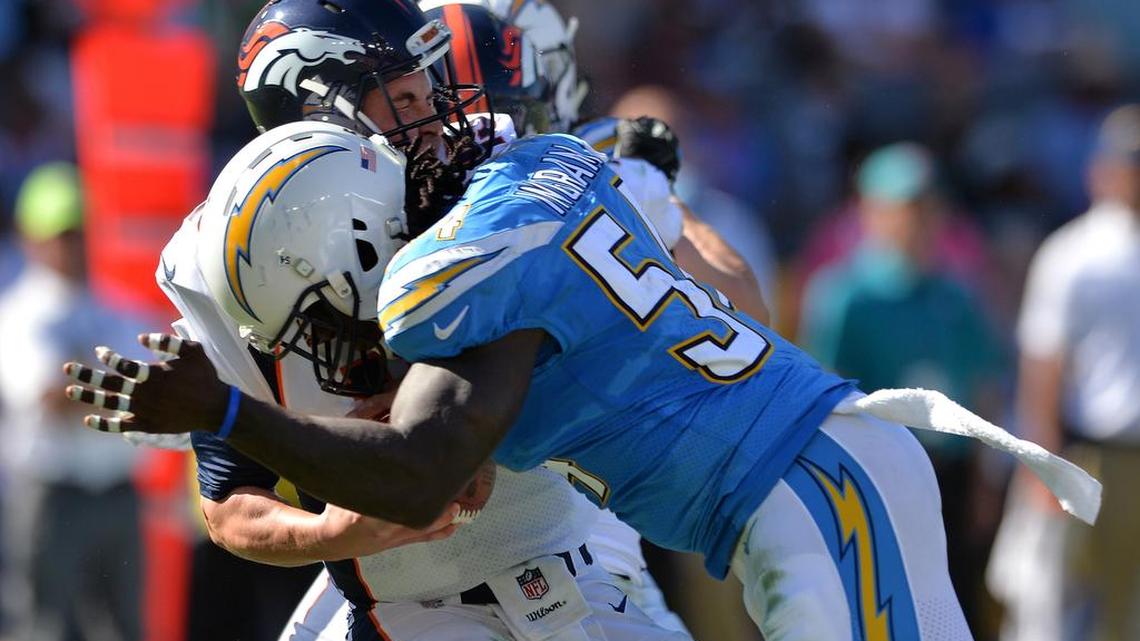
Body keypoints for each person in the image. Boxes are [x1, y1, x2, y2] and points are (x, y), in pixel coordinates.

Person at [148, 1, 695, 640]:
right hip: (401, 616)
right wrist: (331, 531)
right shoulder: (234, 256)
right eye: (399, 99)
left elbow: (636, 353)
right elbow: (231, 505)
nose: (435, 114)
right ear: (314, 110)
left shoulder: (501, 179)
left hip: (576, 575)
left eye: (425, 85)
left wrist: (467, 424)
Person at [800, 142, 1008, 632]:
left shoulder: (955, 294)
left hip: (949, 472)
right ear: (871, 212)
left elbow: (983, 388)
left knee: (959, 601)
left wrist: (984, 479)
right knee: (882, 604)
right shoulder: (844, 296)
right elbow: (826, 396)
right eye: (904, 208)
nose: (917, 221)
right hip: (880, 473)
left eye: (927, 207)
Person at [987, 104, 1140, 641]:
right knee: (1060, 607)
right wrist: (1041, 464)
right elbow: (1041, 366)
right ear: (1102, 169)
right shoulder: (1074, 252)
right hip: (1093, 455)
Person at [0, 163, 145, 641]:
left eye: (80, 232)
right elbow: (49, 397)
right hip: (53, 494)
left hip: (119, 492)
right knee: (47, 629)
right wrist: (117, 388)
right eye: (62, 234)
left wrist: (87, 380)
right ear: (32, 238)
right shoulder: (17, 314)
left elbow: (146, 390)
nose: (73, 244)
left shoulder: (114, 305)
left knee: (125, 628)